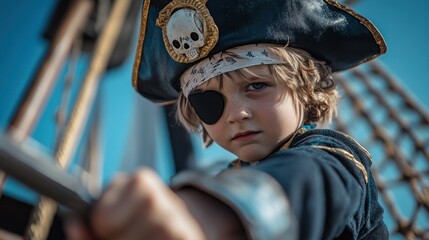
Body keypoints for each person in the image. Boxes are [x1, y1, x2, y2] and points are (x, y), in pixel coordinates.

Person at [66, 0, 389, 239]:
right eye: (209, 102)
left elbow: (311, 180)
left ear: (304, 88)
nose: (236, 114)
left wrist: (208, 216)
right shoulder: (226, 176)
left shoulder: (335, 157)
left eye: (257, 86)